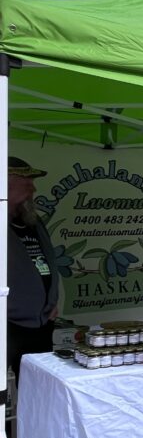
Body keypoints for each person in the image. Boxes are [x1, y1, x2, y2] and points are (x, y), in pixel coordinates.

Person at [7, 156, 60, 384]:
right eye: (27, 182)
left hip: (41, 323)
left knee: (37, 388)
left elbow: (48, 262)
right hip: (7, 325)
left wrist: (51, 300)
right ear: (6, 182)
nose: (33, 189)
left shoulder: (34, 222)